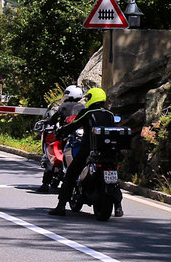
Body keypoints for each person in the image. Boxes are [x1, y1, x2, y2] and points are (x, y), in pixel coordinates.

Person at [48, 87, 123, 217]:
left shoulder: (87, 112)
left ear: (93, 98)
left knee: (71, 173)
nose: (87, 100)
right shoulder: (109, 114)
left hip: (89, 149)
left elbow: (74, 124)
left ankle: (61, 206)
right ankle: (118, 207)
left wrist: (61, 131)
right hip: (109, 150)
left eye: (88, 97)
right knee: (113, 177)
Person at [34, 85, 85, 194]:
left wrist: (50, 123)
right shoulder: (82, 107)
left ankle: (45, 185)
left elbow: (53, 119)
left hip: (65, 136)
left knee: (51, 158)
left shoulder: (63, 106)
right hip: (80, 137)